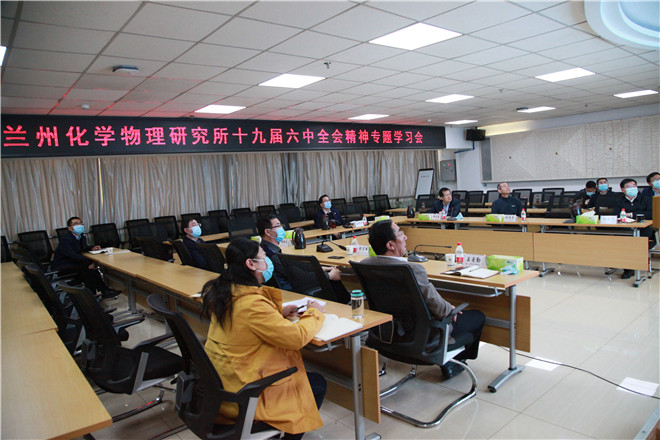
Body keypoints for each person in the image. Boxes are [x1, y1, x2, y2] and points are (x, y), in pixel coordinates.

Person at [201, 238, 326, 439]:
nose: (268, 261)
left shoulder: (224, 291)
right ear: (250, 264)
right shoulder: (252, 305)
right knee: (317, 384)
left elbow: (246, 322)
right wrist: (315, 313)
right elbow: (297, 337)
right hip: (246, 392)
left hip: (227, 381)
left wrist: (277, 312)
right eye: (264, 257)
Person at [360, 219, 485, 379]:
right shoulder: (412, 269)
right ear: (390, 245)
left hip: (387, 333)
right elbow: (440, 309)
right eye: (400, 233)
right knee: (477, 316)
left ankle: (452, 361)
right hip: (423, 338)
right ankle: (454, 362)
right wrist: (450, 309)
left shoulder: (366, 264)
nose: (405, 237)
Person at [257, 215, 350, 303]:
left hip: (292, 282)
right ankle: (345, 305)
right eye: (278, 226)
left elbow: (294, 266)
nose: (282, 228)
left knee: (327, 271)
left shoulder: (266, 248)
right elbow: (299, 275)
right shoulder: (271, 254)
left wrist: (320, 268)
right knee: (332, 281)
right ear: (267, 232)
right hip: (294, 288)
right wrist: (328, 276)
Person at [51, 216, 121, 299]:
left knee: (89, 269)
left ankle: (96, 293)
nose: (79, 225)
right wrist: (89, 263)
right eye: (76, 224)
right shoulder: (66, 239)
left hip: (73, 263)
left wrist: (92, 248)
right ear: (70, 228)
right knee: (88, 269)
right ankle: (100, 292)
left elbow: (82, 249)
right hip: (63, 265)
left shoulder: (81, 237)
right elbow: (72, 255)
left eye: (80, 223)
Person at [615, 178, 655, 280]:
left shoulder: (646, 199)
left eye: (634, 186)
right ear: (622, 190)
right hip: (626, 229)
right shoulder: (618, 200)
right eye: (629, 186)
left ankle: (637, 264)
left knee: (638, 242)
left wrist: (631, 214)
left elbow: (650, 214)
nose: (632, 188)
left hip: (643, 229)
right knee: (623, 242)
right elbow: (616, 214)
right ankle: (628, 269)